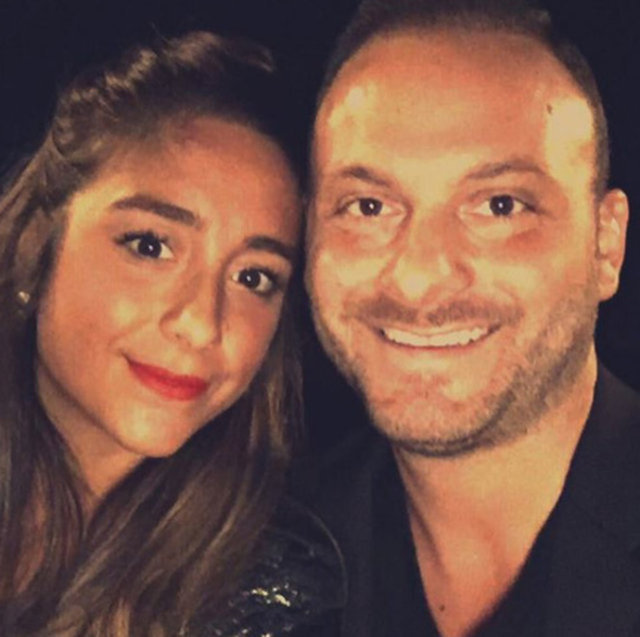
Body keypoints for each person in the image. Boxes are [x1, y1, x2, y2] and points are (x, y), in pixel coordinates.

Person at [301, 0, 639, 635]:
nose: (419, 277)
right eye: (369, 206)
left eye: (500, 206)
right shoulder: (258, 559)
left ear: (606, 245)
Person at [0, 31, 343, 636]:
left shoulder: (275, 598)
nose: (201, 323)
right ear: (36, 244)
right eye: (151, 245)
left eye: (254, 277)